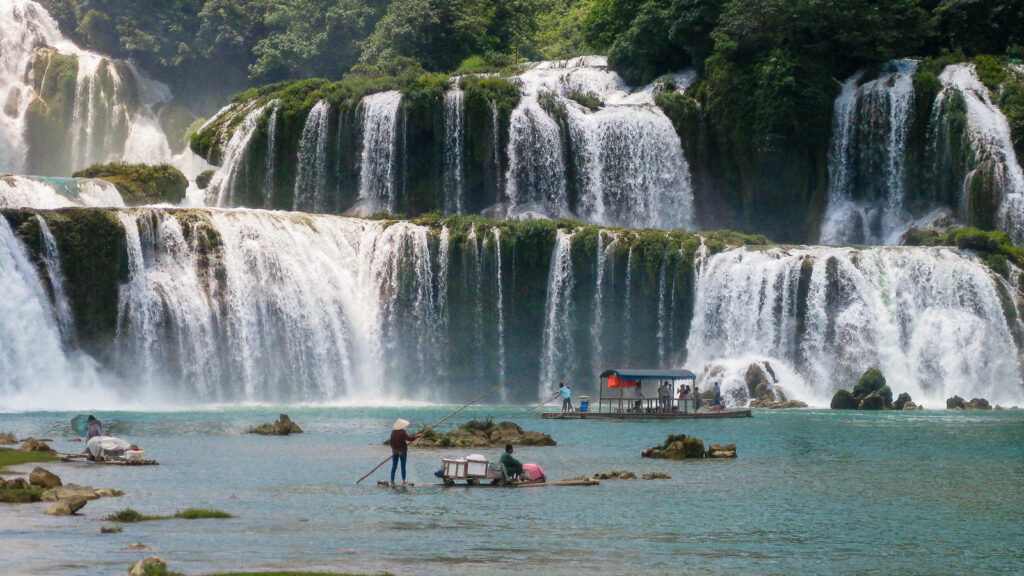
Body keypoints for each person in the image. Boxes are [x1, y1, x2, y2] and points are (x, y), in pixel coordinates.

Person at [389, 418, 420, 486]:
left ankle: (392, 481)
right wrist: (416, 436)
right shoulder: (403, 432)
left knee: (394, 466)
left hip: (395, 452)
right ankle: (403, 482)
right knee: (403, 466)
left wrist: (393, 449)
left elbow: (391, 441)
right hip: (403, 451)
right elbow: (409, 439)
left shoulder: (393, 432)